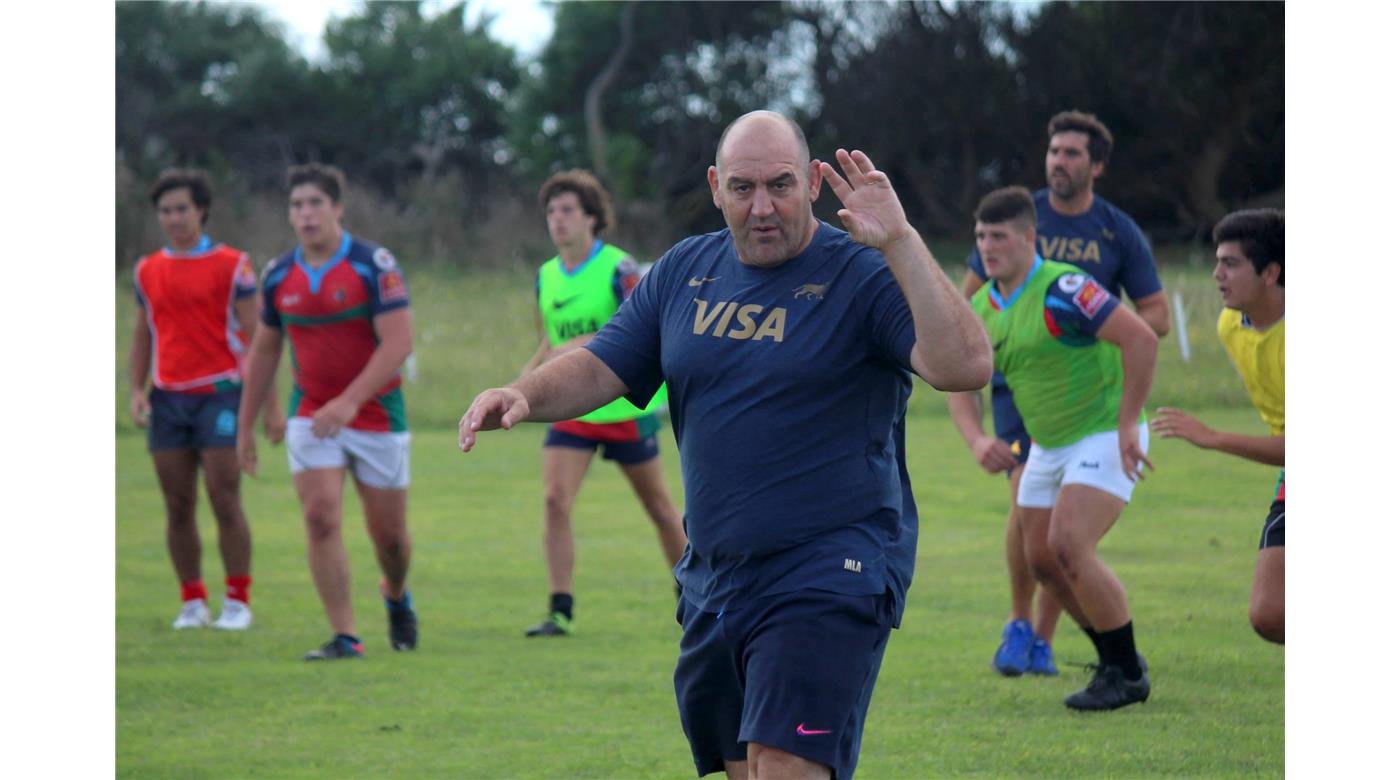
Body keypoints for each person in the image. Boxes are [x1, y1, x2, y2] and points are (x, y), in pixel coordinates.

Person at [460, 111, 991, 779]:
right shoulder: (686, 269)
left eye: (781, 185)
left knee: (785, 765)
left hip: (829, 569)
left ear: (815, 183)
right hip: (715, 577)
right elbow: (603, 362)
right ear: (716, 186)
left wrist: (903, 241)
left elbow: (965, 365)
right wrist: (526, 394)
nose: (762, 207)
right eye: (743, 187)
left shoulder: (861, 274)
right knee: (743, 767)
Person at [950, 109, 1169, 677]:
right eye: (980, 239)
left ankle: (1114, 667)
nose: (986, 249)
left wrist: (1126, 421)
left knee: (1068, 545)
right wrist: (976, 439)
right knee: (1042, 557)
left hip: (1096, 424)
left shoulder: (1074, 278)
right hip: (1037, 422)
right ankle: (1101, 655)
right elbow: (955, 368)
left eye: (997, 238)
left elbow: (1147, 331)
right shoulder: (982, 306)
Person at [236, 163, 418, 661]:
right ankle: (345, 636)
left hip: (377, 415)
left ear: (338, 208)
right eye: (297, 205)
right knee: (319, 517)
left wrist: (352, 400)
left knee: (392, 541)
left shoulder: (372, 265)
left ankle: (397, 594)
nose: (306, 213)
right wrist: (245, 426)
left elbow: (399, 341)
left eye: (316, 203)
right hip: (312, 415)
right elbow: (265, 352)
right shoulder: (279, 276)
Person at [519, 170, 688, 637]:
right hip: (572, 410)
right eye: (551, 212)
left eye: (568, 210)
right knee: (554, 500)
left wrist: (578, 348)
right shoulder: (545, 276)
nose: (558, 220)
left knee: (658, 507)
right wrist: (520, 387)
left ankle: (692, 597)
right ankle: (560, 610)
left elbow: (637, 330)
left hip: (623, 408)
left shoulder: (620, 267)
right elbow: (547, 343)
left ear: (592, 217)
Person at [129, 168, 285, 631]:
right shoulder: (147, 269)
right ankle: (192, 600)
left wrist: (270, 407)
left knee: (224, 497)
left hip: (221, 394)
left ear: (200, 210)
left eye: (182, 209)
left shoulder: (232, 264)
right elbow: (143, 334)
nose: (174, 218)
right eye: (165, 211)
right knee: (177, 504)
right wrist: (136, 389)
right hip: (168, 399)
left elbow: (261, 338)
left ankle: (237, 600)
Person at [1152, 209, 1284, 644]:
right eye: (1217, 261)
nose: (1216, 274)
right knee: (1270, 615)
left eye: (1231, 263)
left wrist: (1213, 437)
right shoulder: (1231, 324)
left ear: (1271, 273)